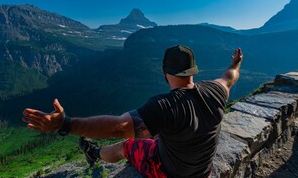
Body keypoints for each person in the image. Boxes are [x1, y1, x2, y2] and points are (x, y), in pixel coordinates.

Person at [22, 45, 243, 178]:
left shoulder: (165, 106)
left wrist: (64, 124)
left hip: (171, 173)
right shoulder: (216, 90)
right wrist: (236, 63)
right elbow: (230, 76)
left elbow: (119, 127)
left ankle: (94, 153)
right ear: (194, 70)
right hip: (204, 171)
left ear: (165, 72)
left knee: (126, 145)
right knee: (159, 132)